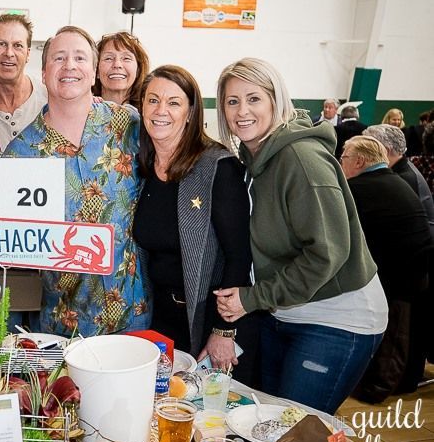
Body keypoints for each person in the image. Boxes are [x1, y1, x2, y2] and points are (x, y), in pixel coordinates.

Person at [214, 57, 387, 414]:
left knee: (294, 436)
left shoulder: (300, 158)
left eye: (254, 99)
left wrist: (253, 297)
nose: (242, 111)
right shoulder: (251, 160)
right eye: (232, 101)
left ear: (276, 100)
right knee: (267, 428)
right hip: (287, 314)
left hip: (336, 319)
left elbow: (327, 254)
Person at [3, 26, 148, 336]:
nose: (69, 65)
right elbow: (10, 253)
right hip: (62, 324)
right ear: (43, 73)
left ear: (94, 72)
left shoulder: (129, 125)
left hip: (131, 314)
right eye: (59, 58)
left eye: (79, 57)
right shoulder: (20, 153)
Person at [132, 65, 257, 384]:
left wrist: (223, 330)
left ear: (190, 112)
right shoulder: (143, 167)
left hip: (205, 320)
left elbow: (239, 256)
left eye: (173, 102)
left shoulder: (217, 167)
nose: (161, 111)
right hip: (158, 319)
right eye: (153, 100)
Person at [341, 136, 432, 402]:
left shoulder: (361, 189)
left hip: (398, 277)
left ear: (359, 161)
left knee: (392, 339)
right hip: (411, 271)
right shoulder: (393, 181)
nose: (339, 162)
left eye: (343, 157)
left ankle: (376, 388)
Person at [0, 12, 46, 151]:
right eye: (2, 44)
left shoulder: (49, 99)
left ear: (28, 54)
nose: (9, 53)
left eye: (17, 45)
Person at [363, 124, 434, 237]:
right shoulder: (403, 169)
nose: (363, 155)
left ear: (385, 150)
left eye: (368, 149)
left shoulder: (403, 179)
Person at [94, 31, 150, 110]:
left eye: (126, 58)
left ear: (138, 70)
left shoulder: (148, 114)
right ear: (96, 71)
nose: (117, 65)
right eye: (108, 58)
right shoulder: (82, 110)